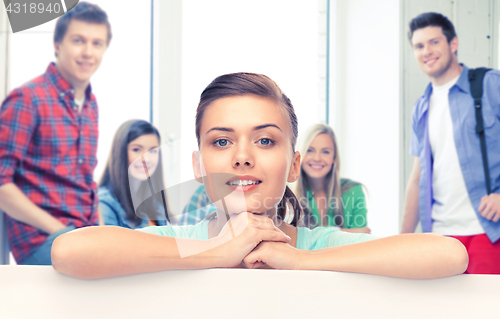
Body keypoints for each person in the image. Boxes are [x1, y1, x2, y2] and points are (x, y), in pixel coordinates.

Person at [52, 72, 468, 279]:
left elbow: (450, 255)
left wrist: (300, 260)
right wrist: (217, 254)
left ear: (292, 164)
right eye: (221, 142)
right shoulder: (179, 243)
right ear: (198, 168)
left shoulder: (318, 245)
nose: (243, 158)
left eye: (265, 141)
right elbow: (69, 253)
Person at [0, 2, 111, 265]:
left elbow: (86, 182)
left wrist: (106, 232)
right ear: (58, 44)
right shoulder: (27, 99)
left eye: (97, 43)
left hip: (83, 235)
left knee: (140, 254)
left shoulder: (90, 104)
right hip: (44, 239)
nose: (88, 52)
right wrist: (59, 231)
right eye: (78, 40)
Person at [401, 12, 500, 274]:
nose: (427, 51)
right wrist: (402, 239)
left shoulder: (490, 84)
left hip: (488, 232)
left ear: (453, 44)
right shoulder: (420, 108)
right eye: (419, 46)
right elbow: (416, 177)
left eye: (434, 42)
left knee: (488, 314)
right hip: (440, 238)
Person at [295, 124, 370, 233]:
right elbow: (290, 238)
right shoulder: (286, 192)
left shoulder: (353, 191)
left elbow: (362, 242)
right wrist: (349, 232)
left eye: (325, 152)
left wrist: (311, 234)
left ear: (334, 157)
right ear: (299, 155)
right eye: (309, 150)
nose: (317, 158)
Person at [98, 120, 169, 229]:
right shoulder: (105, 204)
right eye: (136, 149)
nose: (146, 159)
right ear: (120, 152)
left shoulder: (155, 204)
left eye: (153, 151)